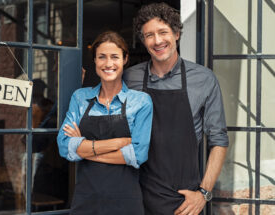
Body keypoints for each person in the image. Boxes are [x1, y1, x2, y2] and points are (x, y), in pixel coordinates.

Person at [123, 3, 229, 215]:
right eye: (149, 35)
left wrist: (204, 193)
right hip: (134, 195)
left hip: (182, 201)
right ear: (143, 41)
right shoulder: (129, 77)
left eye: (163, 32)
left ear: (177, 33)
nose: (157, 41)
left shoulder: (203, 79)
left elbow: (219, 141)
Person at [57, 31, 153, 215]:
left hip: (126, 202)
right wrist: (118, 143)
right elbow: (64, 146)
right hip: (86, 199)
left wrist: (84, 150)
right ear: (94, 61)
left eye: (114, 57)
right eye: (102, 57)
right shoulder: (80, 98)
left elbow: (137, 155)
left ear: (125, 59)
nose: (108, 64)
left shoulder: (141, 102)